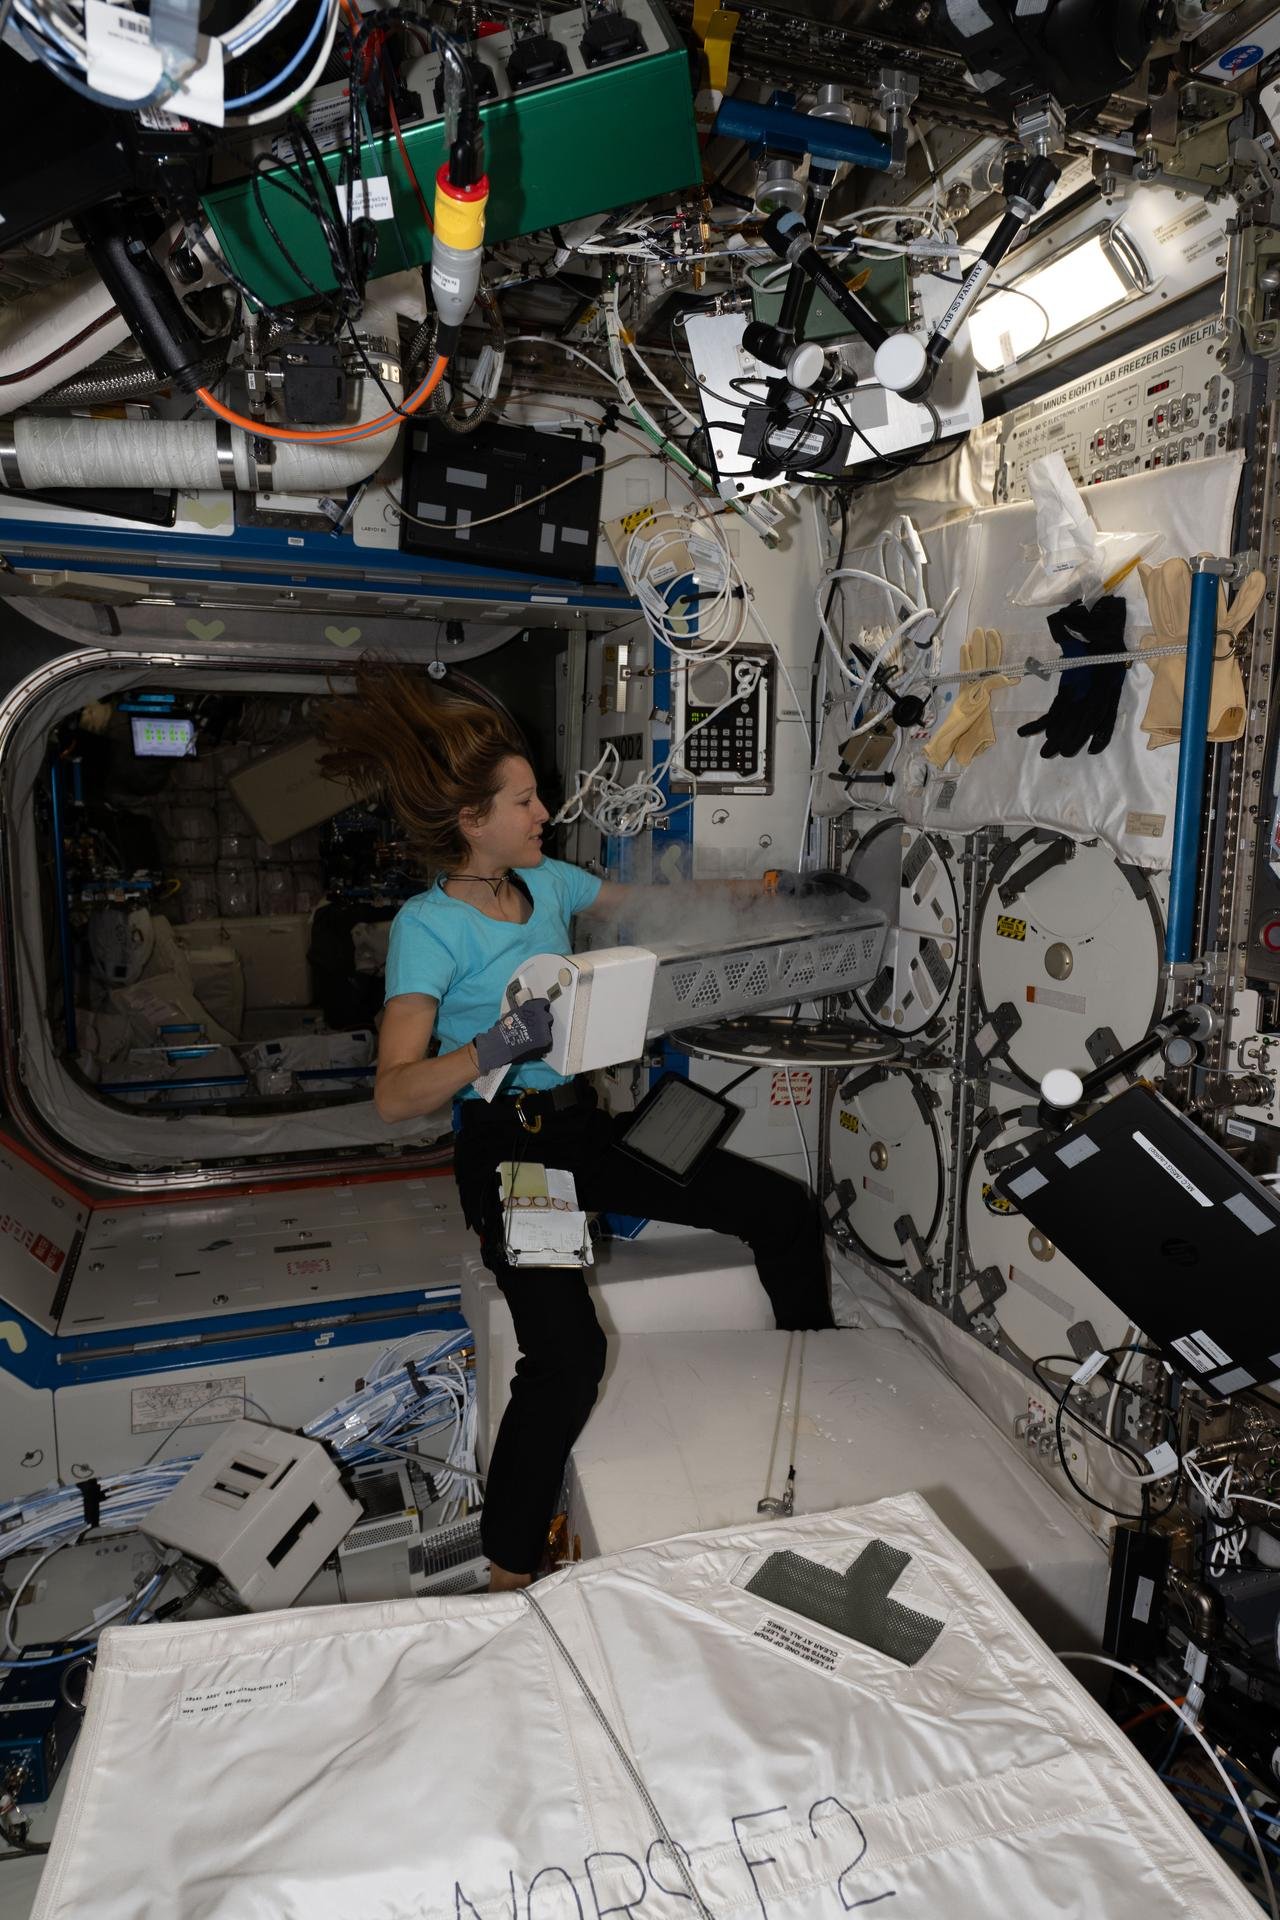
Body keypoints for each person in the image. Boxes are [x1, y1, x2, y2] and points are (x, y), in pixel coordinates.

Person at [318, 664, 846, 1592]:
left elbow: (656, 906)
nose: (545, 813)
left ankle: (820, 1385)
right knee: (567, 1357)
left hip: (580, 1132)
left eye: (538, 797)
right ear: (472, 822)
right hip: (511, 1153)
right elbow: (395, 1095)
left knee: (785, 1214)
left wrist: (774, 894)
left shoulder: (550, 882)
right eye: (524, 802)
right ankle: (509, 1575)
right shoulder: (427, 927)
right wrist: (494, 1044)